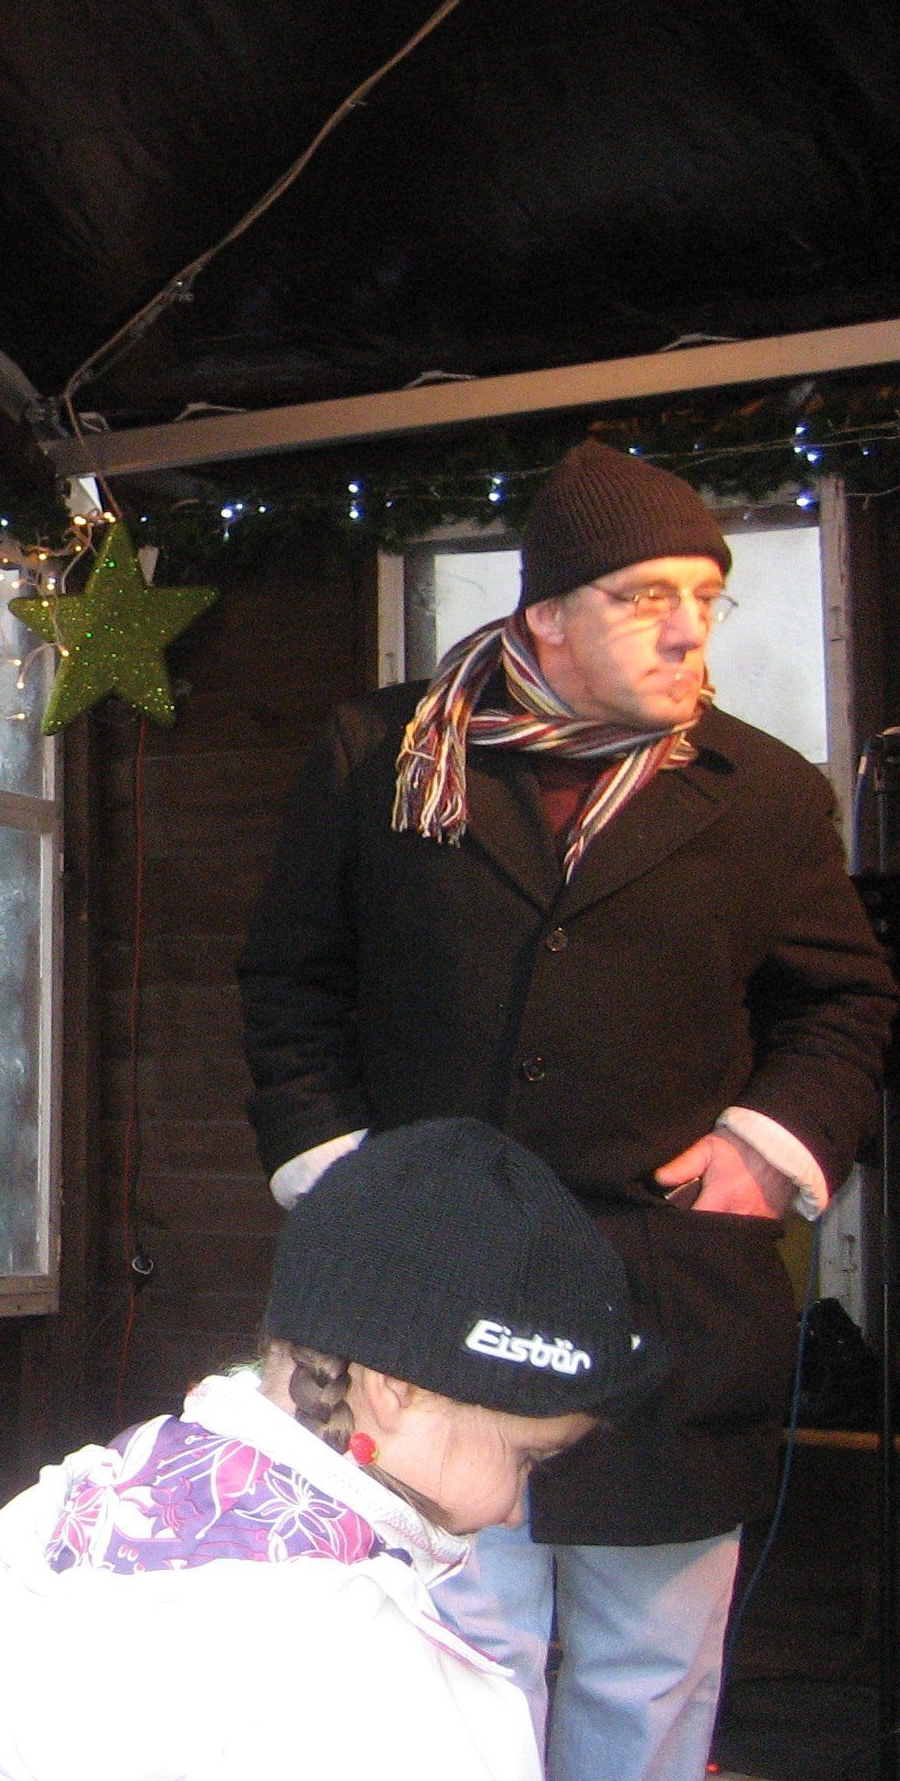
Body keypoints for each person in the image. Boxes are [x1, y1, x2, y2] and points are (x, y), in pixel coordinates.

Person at [238, 439, 895, 1781]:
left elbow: (844, 1001)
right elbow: (290, 979)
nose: (688, 629)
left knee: (648, 1667)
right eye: (644, 596)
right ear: (545, 614)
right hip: (431, 1291)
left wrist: (764, 1150)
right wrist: (344, 1176)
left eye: (705, 597)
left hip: (667, 1286)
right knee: (452, 1643)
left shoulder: (766, 792)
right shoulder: (382, 756)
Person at [0, 1119, 658, 1781]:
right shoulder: (370, 1671)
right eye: (526, 1459)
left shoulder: (58, 1524)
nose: (515, 1511)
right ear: (397, 1389)